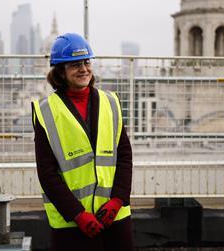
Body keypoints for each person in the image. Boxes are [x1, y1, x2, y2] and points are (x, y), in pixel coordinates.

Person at [32, 33, 135, 250]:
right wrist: (78, 215)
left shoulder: (110, 102)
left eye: (87, 62)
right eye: (75, 64)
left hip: (113, 215)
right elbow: (47, 174)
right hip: (72, 222)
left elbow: (124, 156)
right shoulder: (46, 112)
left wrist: (117, 200)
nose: (84, 69)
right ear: (60, 71)